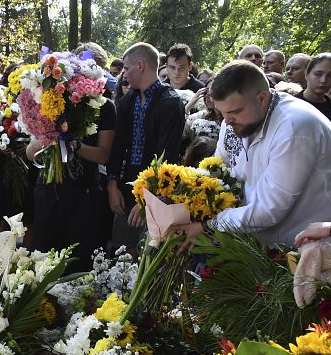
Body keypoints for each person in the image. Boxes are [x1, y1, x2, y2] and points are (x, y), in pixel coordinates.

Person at [175, 60, 331, 247]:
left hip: (301, 250)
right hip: (253, 244)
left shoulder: (295, 127)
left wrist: (208, 226)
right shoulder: (233, 121)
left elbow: (268, 210)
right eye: (222, 112)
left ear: (262, 98)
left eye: (235, 111)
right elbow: (216, 170)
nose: (227, 121)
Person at [28, 52, 117, 271]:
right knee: (43, 262)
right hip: (47, 190)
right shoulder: (44, 101)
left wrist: (75, 144)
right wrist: (47, 137)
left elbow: (103, 154)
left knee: (77, 262)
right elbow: (30, 154)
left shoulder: (104, 106)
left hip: (82, 193)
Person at [106, 42, 186, 254]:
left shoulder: (170, 103)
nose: (124, 74)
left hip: (157, 192)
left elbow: (167, 156)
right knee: (121, 251)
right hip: (126, 187)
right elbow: (117, 145)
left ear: (140, 65)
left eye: (127, 68)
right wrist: (112, 185)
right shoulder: (128, 101)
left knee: (148, 252)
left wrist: (147, 199)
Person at [295, 53, 331, 121]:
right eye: (318, 74)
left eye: (330, 76)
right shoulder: (291, 104)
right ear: (306, 74)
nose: (323, 80)